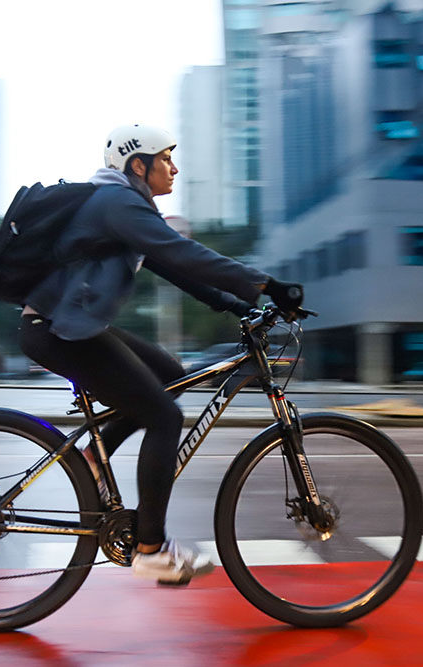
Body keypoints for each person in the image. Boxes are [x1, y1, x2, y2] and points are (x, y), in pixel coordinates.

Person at [18, 124, 302, 584]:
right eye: (166, 159)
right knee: (164, 418)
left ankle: (94, 458)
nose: (175, 167)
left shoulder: (125, 208)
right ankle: (150, 549)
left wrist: (240, 306)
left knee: (170, 374)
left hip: (70, 326)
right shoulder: (116, 202)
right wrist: (267, 284)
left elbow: (177, 268)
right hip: (56, 331)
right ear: (138, 165)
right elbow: (184, 253)